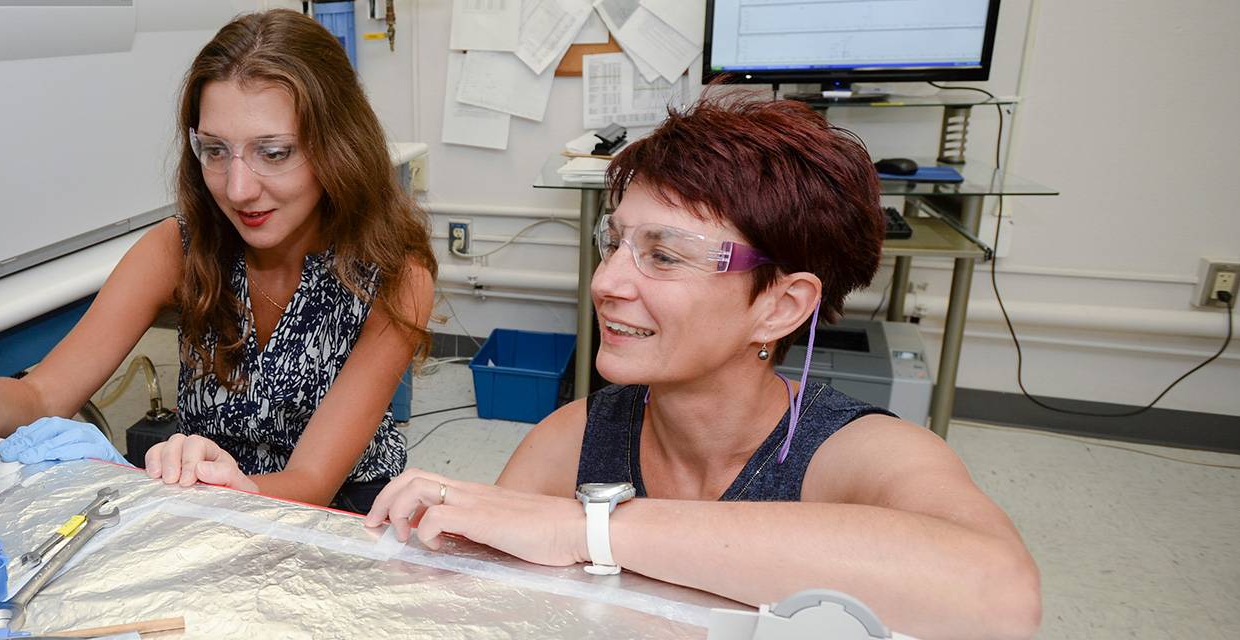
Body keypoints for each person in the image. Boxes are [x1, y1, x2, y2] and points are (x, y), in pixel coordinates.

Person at [362, 97, 1041, 638]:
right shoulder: (572, 440)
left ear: (780, 306)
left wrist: (587, 530)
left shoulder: (857, 455)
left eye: (663, 254)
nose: (606, 282)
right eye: (614, 243)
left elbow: (999, 597)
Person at [0, 10, 435, 514]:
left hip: (336, 517)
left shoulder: (394, 274)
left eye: (274, 153)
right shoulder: (178, 248)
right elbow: (45, 396)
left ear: (338, 146)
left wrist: (222, 491)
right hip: (199, 503)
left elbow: (310, 484)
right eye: (214, 151)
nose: (237, 189)